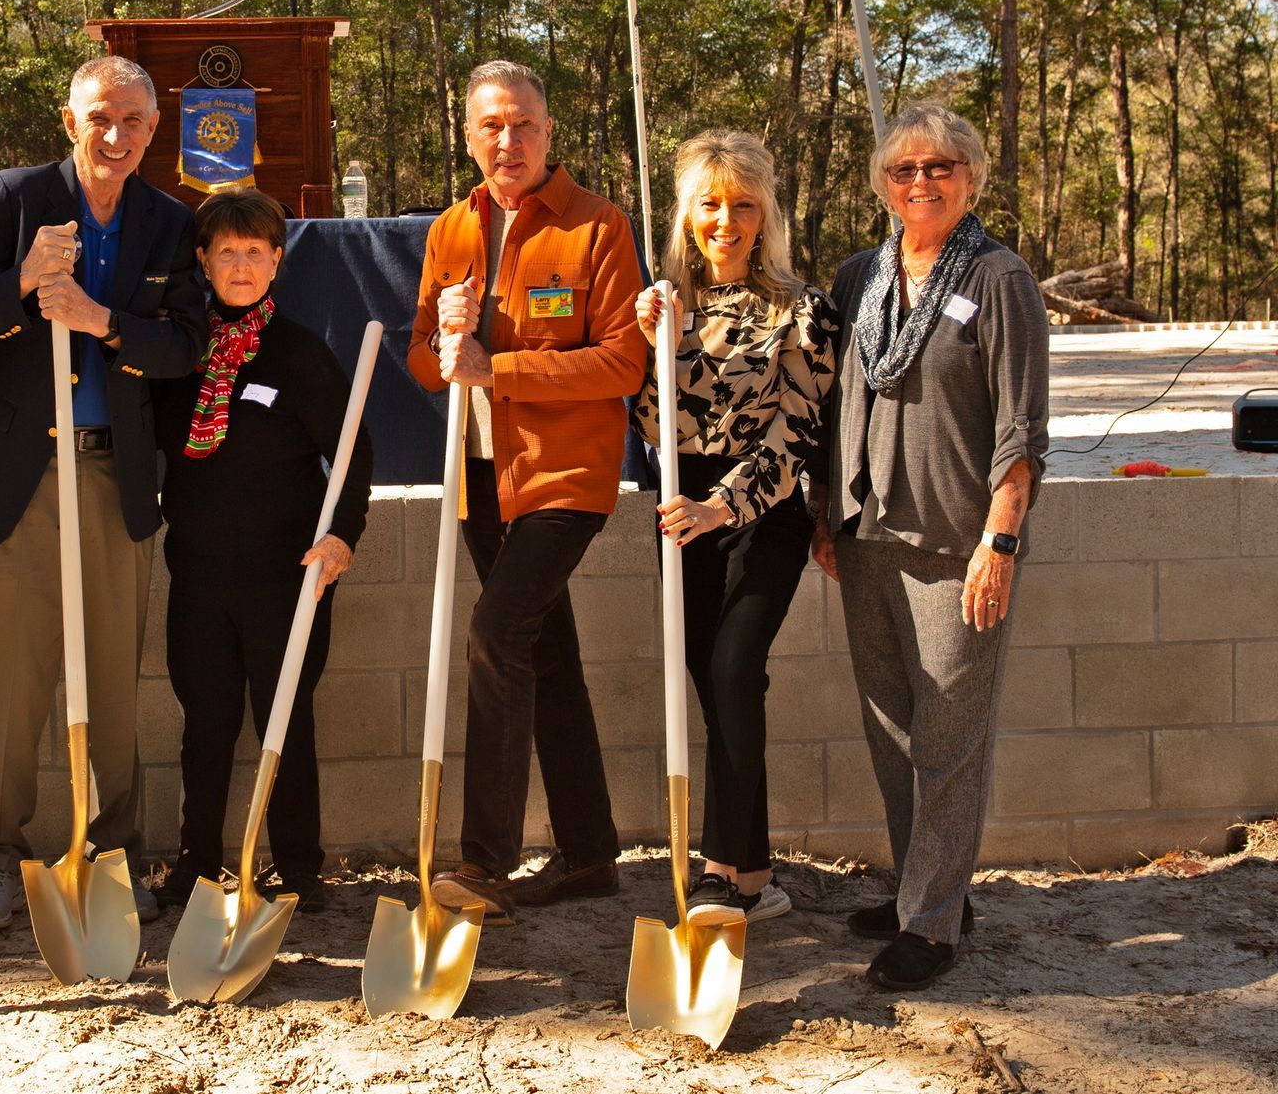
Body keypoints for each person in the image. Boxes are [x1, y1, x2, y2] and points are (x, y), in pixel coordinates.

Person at [0, 55, 207, 930]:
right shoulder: (16, 198)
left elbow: (186, 348)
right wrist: (21, 283)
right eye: (100, 117)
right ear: (69, 119)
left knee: (112, 679)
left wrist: (102, 323)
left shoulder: (170, 222)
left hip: (109, 473)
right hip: (17, 477)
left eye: (133, 121)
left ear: (153, 130)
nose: (116, 135)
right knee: (16, 680)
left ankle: (113, 849)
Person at [407, 60, 650, 925]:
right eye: (490, 127)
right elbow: (424, 368)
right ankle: (589, 854)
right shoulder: (450, 228)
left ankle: (484, 862)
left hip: (562, 476)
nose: (507, 142)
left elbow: (625, 358)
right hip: (478, 474)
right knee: (549, 657)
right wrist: (444, 342)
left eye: (524, 126)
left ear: (550, 134)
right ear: (469, 135)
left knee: (496, 631)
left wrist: (497, 365)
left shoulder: (598, 226)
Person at [812, 101, 1048, 991]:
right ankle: (930, 890)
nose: (921, 182)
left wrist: (1002, 539)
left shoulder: (999, 278)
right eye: (905, 169)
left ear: (971, 178)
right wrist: (820, 514)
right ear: (883, 182)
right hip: (865, 535)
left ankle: (935, 926)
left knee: (948, 737)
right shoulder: (859, 275)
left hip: (957, 541)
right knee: (890, 730)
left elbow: (1023, 427)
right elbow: (834, 401)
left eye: (940, 167)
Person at [630, 130, 838, 927]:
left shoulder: (802, 310)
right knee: (720, 692)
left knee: (733, 665)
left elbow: (798, 437)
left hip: (763, 514)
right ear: (688, 213)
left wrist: (725, 504)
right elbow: (650, 422)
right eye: (711, 204)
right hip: (680, 515)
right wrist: (658, 331)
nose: (727, 220)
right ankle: (756, 874)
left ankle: (716, 876)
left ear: (765, 214)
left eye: (743, 205)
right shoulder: (662, 306)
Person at [151, 188, 373, 914]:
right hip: (199, 574)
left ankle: (299, 867)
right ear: (202, 260)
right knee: (206, 719)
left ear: (277, 259)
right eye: (226, 252)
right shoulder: (179, 350)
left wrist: (340, 535)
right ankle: (197, 863)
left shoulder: (301, 352)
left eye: (255, 252)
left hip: (287, 577)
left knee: (287, 719)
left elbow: (352, 451)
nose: (240, 266)